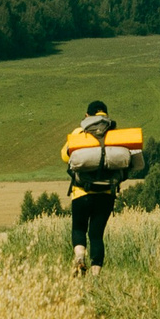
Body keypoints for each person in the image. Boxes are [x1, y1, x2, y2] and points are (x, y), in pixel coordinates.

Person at [64, 99, 142, 274]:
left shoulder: (79, 131)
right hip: (106, 194)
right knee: (96, 235)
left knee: (79, 228)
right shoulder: (115, 134)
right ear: (105, 115)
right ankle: (96, 275)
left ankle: (79, 257)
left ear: (87, 115)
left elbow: (65, 155)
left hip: (81, 192)